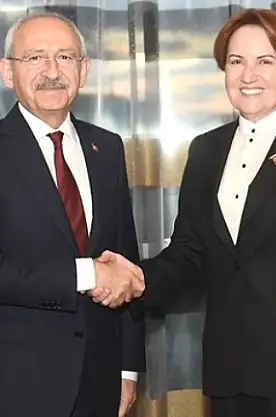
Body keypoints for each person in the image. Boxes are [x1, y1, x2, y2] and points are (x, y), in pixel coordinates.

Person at [95, 8, 276, 417]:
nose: (248, 75)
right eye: (236, 61)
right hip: (230, 374)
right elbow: (190, 252)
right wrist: (138, 279)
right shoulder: (205, 151)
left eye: (265, 62)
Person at [0, 11, 145, 417]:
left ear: (83, 71)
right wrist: (86, 274)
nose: (52, 71)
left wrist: (128, 368)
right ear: (7, 73)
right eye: (35, 58)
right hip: (16, 384)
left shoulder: (108, 148)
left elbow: (124, 258)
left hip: (100, 379)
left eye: (65, 57)